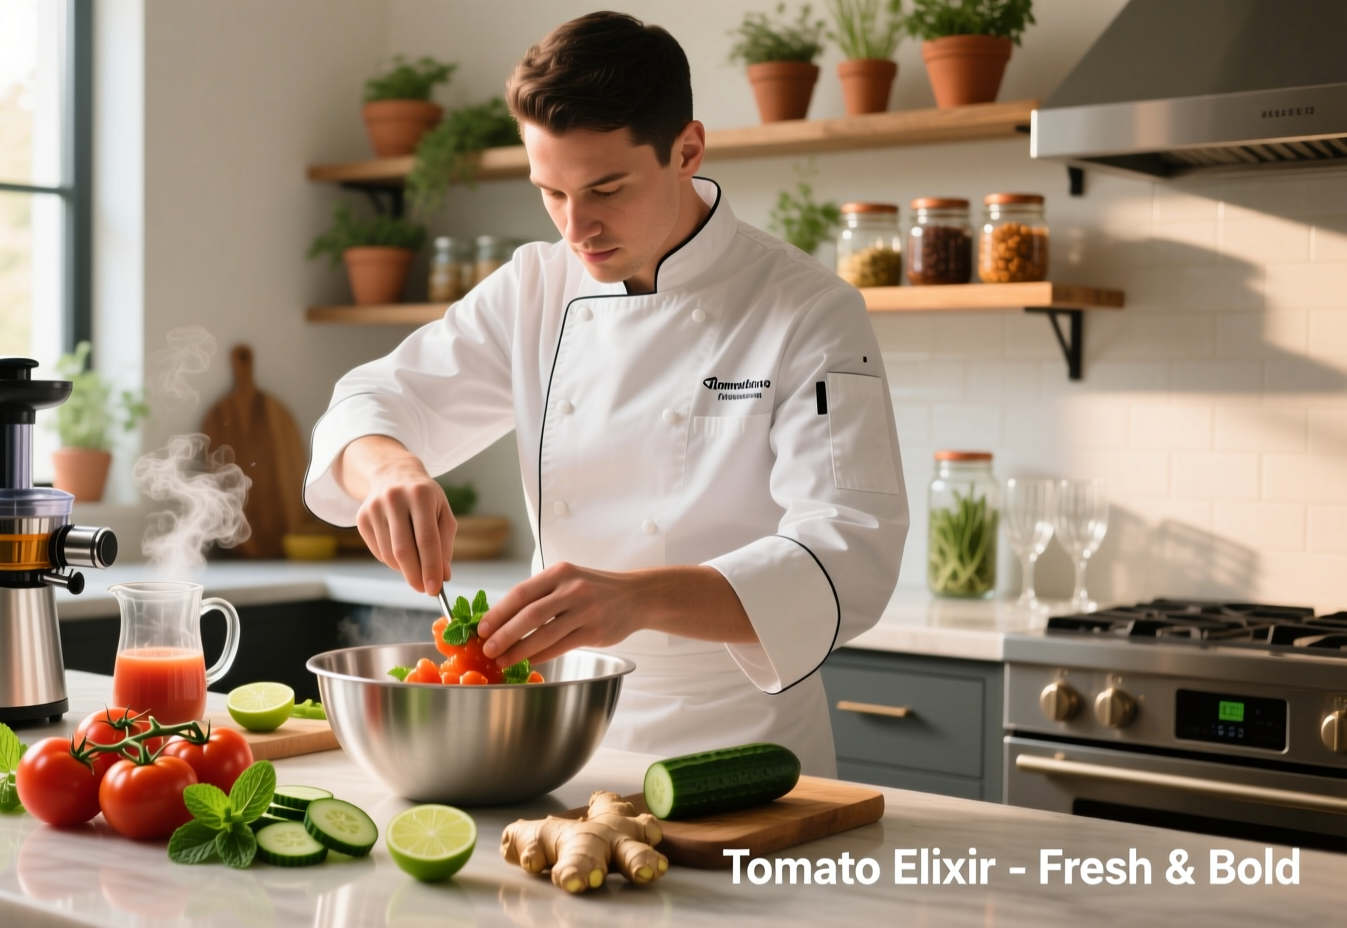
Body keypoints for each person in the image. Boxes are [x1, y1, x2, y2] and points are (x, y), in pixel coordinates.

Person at [303, 11, 907, 774]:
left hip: (737, 752)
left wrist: (638, 599)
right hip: (562, 742)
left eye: (606, 189)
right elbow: (371, 400)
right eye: (550, 192)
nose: (576, 227)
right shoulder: (536, 285)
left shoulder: (807, 310)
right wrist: (389, 470)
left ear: (687, 150)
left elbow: (849, 552)